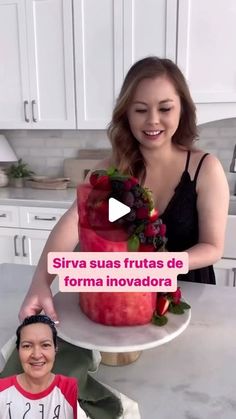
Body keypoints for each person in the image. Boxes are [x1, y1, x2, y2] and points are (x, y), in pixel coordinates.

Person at [19, 55, 229, 321]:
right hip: (124, 297)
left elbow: (212, 247)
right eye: (140, 110)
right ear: (126, 113)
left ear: (182, 110)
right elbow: (74, 220)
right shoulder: (110, 170)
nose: (153, 120)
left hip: (190, 295)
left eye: (165, 109)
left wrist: (156, 267)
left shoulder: (205, 169)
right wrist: (40, 281)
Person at [0, 315, 78, 419]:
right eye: (27, 346)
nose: (36, 355)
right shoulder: (2, 390)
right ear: (18, 351)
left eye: (45, 345)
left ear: (55, 349)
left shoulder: (71, 389)